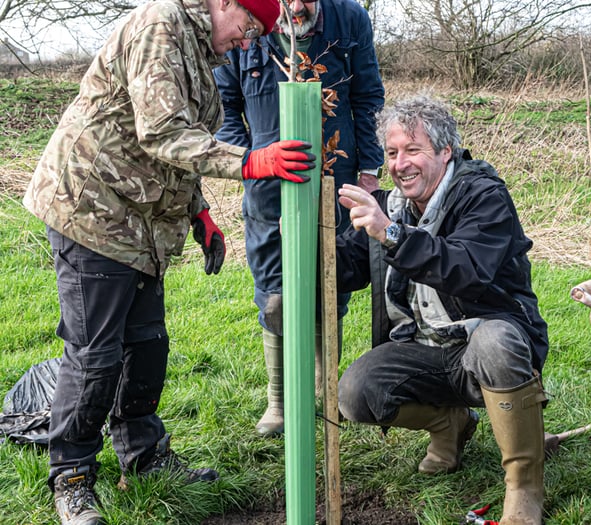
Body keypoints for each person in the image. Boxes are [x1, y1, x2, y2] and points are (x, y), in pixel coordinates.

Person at [21, 0, 316, 523]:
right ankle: (71, 477)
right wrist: (250, 161)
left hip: (141, 222)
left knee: (147, 344)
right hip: (93, 209)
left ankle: (144, 458)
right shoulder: (161, 26)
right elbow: (160, 131)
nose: (248, 41)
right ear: (227, 3)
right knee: (95, 355)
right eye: (250, 26)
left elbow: (182, 142)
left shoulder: (201, 49)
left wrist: (199, 211)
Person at [334, 94, 549, 525]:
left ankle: (524, 486)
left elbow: (466, 269)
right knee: (357, 393)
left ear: (445, 152)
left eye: (413, 150)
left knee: (496, 340)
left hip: (486, 342)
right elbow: (349, 268)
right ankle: (450, 425)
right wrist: (306, 241)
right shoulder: (392, 205)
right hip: (427, 348)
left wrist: (392, 235)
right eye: (392, 153)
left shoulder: (482, 194)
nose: (400, 164)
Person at [213, 0, 385, 437]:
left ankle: (327, 393)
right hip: (267, 181)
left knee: (334, 281)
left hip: (337, 174)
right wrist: (246, 161)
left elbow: (367, 96)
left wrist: (369, 168)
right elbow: (224, 107)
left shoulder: (350, 18)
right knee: (275, 291)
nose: (295, 6)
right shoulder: (243, 22)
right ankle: (281, 400)